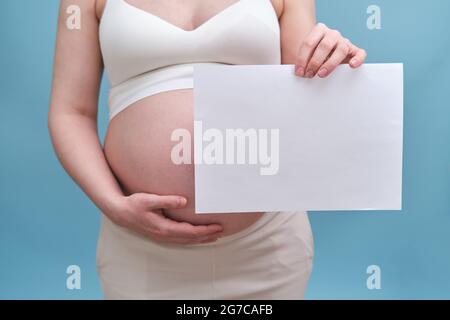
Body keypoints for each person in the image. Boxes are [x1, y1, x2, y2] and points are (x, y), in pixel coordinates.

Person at [49, 0, 367, 299]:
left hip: (266, 244)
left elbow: (304, 89)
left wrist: (331, 55)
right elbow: (71, 112)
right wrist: (113, 204)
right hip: (141, 250)